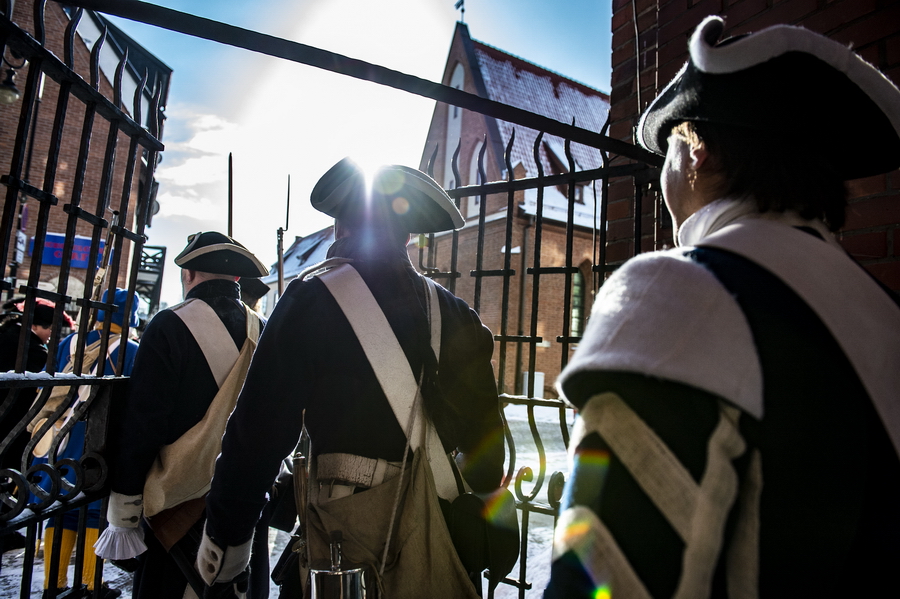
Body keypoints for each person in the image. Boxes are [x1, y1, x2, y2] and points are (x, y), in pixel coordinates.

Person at [545, 16, 900, 599]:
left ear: (697, 151)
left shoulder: (680, 289)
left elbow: (597, 579)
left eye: (667, 148)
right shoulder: (887, 311)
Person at [197, 158, 505, 598]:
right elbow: (488, 453)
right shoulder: (458, 315)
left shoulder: (309, 297)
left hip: (347, 547)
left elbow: (257, 436)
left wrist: (227, 540)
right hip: (443, 545)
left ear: (340, 227)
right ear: (409, 236)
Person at [93, 232, 268, 599]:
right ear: (236, 279)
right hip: (238, 497)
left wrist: (125, 511)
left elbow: (143, 425)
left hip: (177, 503)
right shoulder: (261, 329)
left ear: (188, 274)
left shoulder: (169, 325)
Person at [30, 288, 140, 599]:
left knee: (58, 509)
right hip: (96, 443)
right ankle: (92, 584)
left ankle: (54, 584)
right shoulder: (129, 350)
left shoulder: (69, 342)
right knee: (93, 511)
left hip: (60, 439)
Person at [0, 298, 72, 558]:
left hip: (8, 419)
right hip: (12, 421)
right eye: (50, 327)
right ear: (38, 325)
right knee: (8, 469)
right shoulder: (29, 348)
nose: (52, 332)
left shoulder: (9, 333)